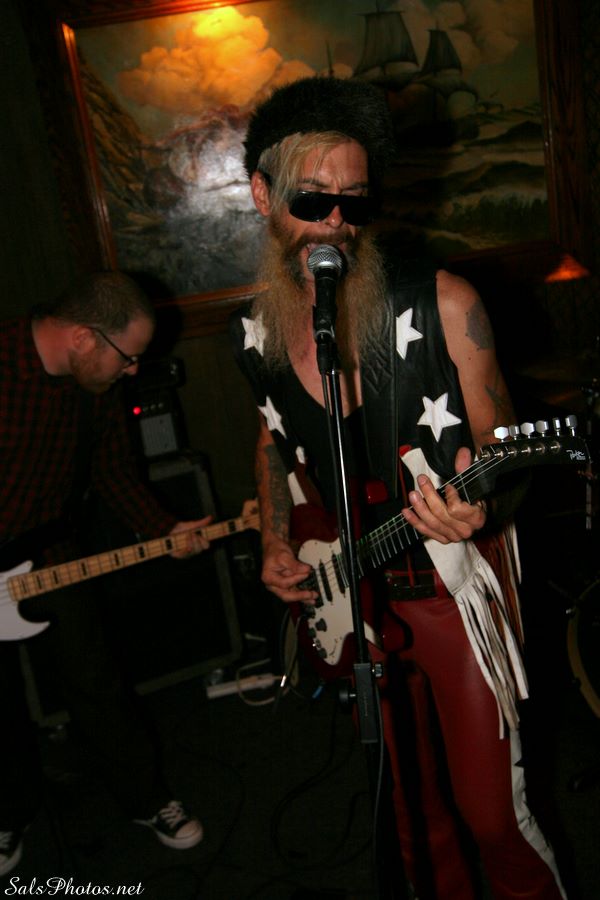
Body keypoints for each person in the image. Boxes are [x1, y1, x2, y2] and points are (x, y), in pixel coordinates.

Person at [229, 77, 567, 899]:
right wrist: (274, 539)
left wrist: (481, 505)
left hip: (450, 591)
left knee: (494, 817)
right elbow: (271, 440)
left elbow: (506, 451)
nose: (336, 223)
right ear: (262, 196)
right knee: (413, 821)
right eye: (312, 200)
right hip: (352, 603)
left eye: (354, 202)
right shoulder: (257, 330)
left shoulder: (445, 302)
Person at [0, 271, 208, 877]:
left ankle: (146, 799)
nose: (133, 370)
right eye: (128, 356)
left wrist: (164, 528)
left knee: (96, 681)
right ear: (84, 337)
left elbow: (114, 472)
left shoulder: (96, 384)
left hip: (53, 552)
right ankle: (8, 815)